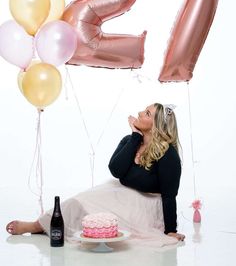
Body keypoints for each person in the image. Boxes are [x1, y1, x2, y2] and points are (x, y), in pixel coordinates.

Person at [6, 103, 185, 246]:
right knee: (81, 201)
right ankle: (39, 225)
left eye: (146, 113)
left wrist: (170, 229)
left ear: (157, 126)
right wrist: (136, 137)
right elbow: (116, 170)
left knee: (97, 214)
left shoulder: (167, 155)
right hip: (120, 191)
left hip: (145, 204)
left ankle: (40, 226)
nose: (139, 112)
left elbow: (170, 195)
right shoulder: (129, 141)